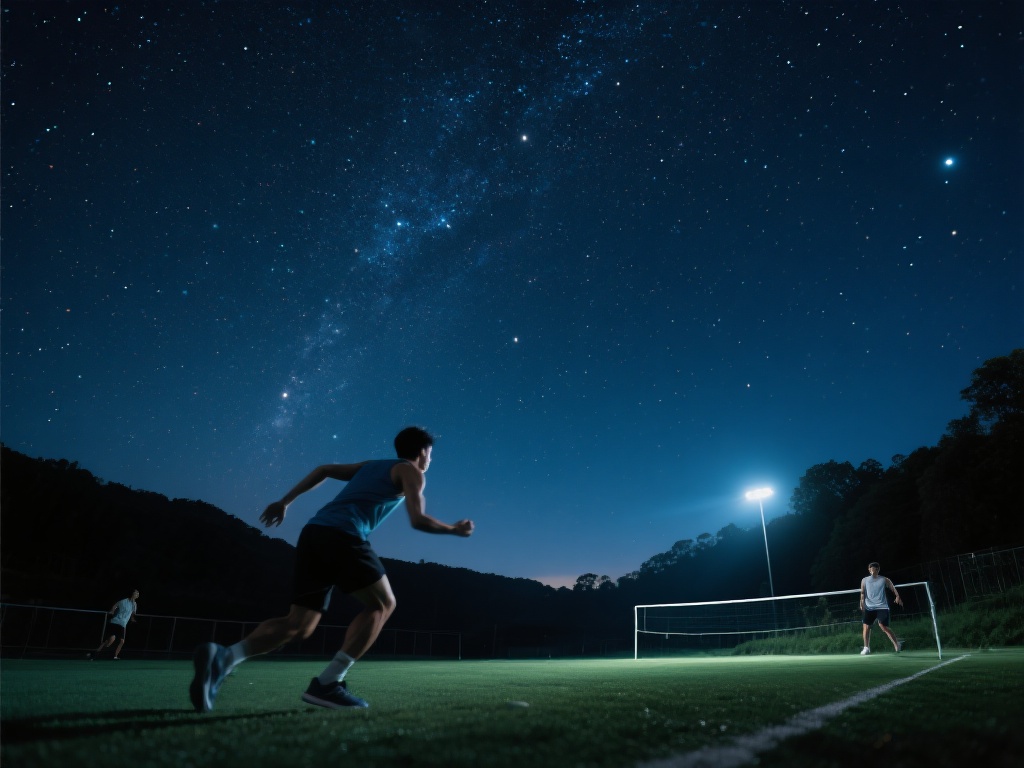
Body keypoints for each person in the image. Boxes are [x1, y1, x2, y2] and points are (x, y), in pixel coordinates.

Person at [189, 426, 474, 712]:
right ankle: (329, 683)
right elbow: (418, 519)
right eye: (430, 455)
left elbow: (324, 469)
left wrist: (285, 502)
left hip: (314, 534)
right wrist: (454, 529)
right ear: (422, 451)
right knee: (383, 604)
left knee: (298, 625)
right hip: (343, 535)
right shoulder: (412, 472)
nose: (430, 461)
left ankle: (224, 658)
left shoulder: (371, 466)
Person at [859, 562, 902, 655]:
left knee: (883, 626)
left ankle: (896, 644)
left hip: (882, 606)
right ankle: (866, 648)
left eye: (876, 569)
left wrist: (897, 596)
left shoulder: (884, 579)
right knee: (866, 627)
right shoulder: (864, 580)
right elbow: (862, 593)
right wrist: (861, 602)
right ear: (869, 570)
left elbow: (892, 587)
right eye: (872, 569)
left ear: (878, 570)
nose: (874, 571)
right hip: (869, 606)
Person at [88, 589, 139, 660]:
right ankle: (94, 654)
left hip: (123, 624)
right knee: (109, 641)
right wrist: (112, 610)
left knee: (122, 641)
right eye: (136, 593)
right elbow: (116, 605)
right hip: (115, 622)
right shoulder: (124, 601)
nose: (137, 595)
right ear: (132, 594)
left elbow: (133, 613)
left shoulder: (134, 604)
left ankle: (115, 656)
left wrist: (132, 618)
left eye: (137, 594)